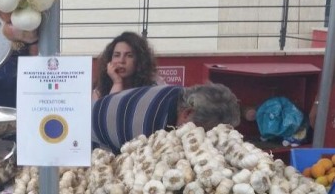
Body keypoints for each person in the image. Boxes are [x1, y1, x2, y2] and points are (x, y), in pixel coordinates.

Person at [92, 83, 240, 154]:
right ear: (187, 113)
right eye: (205, 131)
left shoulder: (175, 92)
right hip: (89, 142)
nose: (206, 138)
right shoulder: (151, 129)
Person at [92, 31, 158, 101]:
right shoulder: (98, 93)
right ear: (109, 60)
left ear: (140, 60)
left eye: (129, 55)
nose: (121, 61)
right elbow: (112, 109)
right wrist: (117, 82)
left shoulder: (151, 90)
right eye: (117, 55)